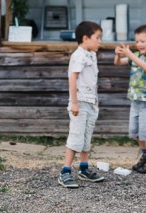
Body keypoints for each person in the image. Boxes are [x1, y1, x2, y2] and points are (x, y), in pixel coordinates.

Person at [58, 21, 105, 188]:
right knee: (76, 136)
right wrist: (75, 103)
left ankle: (84, 169)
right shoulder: (79, 55)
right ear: (85, 38)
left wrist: (95, 101)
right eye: (97, 38)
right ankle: (65, 171)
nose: (100, 41)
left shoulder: (91, 54)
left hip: (91, 102)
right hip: (80, 103)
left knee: (86, 137)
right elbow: (73, 78)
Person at [113, 24, 146, 174]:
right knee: (135, 132)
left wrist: (129, 54)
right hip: (135, 100)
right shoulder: (136, 56)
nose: (139, 44)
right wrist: (118, 54)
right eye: (137, 41)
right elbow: (117, 63)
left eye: (142, 41)